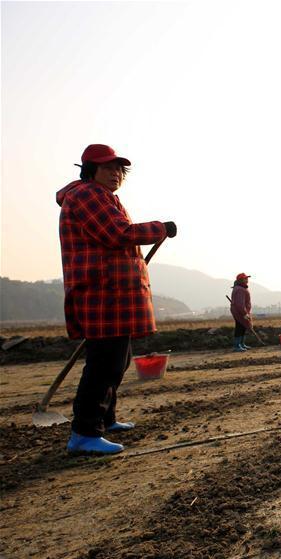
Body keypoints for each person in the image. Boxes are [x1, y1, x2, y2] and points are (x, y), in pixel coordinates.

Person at [58, 144, 176, 455]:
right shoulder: (86, 195)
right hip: (102, 295)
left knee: (118, 360)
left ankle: (105, 418)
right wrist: (159, 229)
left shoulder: (105, 198)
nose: (115, 174)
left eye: (119, 169)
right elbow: (116, 234)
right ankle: (84, 433)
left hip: (114, 294)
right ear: (90, 170)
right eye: (108, 168)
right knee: (104, 364)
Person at [230, 273, 253, 351]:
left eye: (247, 278)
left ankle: (241, 344)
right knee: (240, 327)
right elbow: (240, 304)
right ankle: (237, 346)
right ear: (240, 280)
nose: (247, 280)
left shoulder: (240, 288)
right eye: (245, 278)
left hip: (240, 311)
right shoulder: (240, 289)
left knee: (243, 327)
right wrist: (244, 313)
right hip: (240, 312)